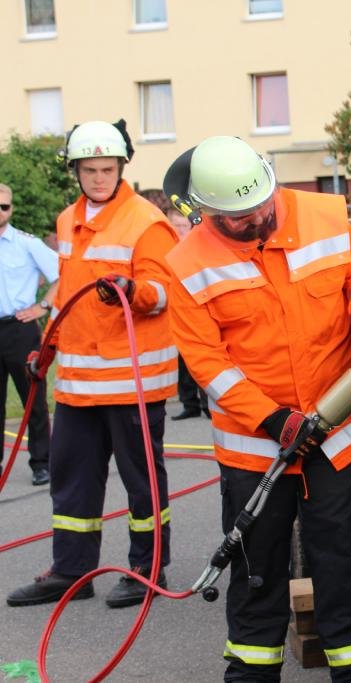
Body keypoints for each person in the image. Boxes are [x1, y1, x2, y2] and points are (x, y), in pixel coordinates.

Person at [162, 136, 351, 682]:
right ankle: (251, 674)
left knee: (343, 564)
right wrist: (271, 419)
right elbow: (207, 364)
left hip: (340, 436)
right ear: (207, 212)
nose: (258, 217)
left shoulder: (324, 214)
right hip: (256, 448)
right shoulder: (187, 264)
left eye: (262, 203)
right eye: (239, 216)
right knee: (257, 573)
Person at [7, 120, 178, 609]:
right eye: (89, 169)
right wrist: (48, 348)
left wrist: (133, 292)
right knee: (72, 480)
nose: (99, 178)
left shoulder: (147, 221)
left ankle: (147, 568)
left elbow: (165, 292)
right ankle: (71, 570)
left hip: (132, 383)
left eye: (107, 169)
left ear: (121, 167)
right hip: (79, 384)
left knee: (142, 480)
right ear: (75, 170)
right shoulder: (67, 221)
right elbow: (65, 292)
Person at [0, 182, 58, 486]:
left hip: (19, 329)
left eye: (4, 206)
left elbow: (61, 275)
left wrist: (43, 305)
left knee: (32, 398)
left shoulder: (27, 243)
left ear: (11, 209)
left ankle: (41, 462)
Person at [140, 190, 210, 420]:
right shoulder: (162, 247)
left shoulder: (198, 247)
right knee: (180, 362)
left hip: (194, 308)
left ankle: (207, 404)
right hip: (169, 310)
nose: (179, 229)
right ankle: (189, 404)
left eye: (182, 224)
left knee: (200, 359)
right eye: (175, 224)